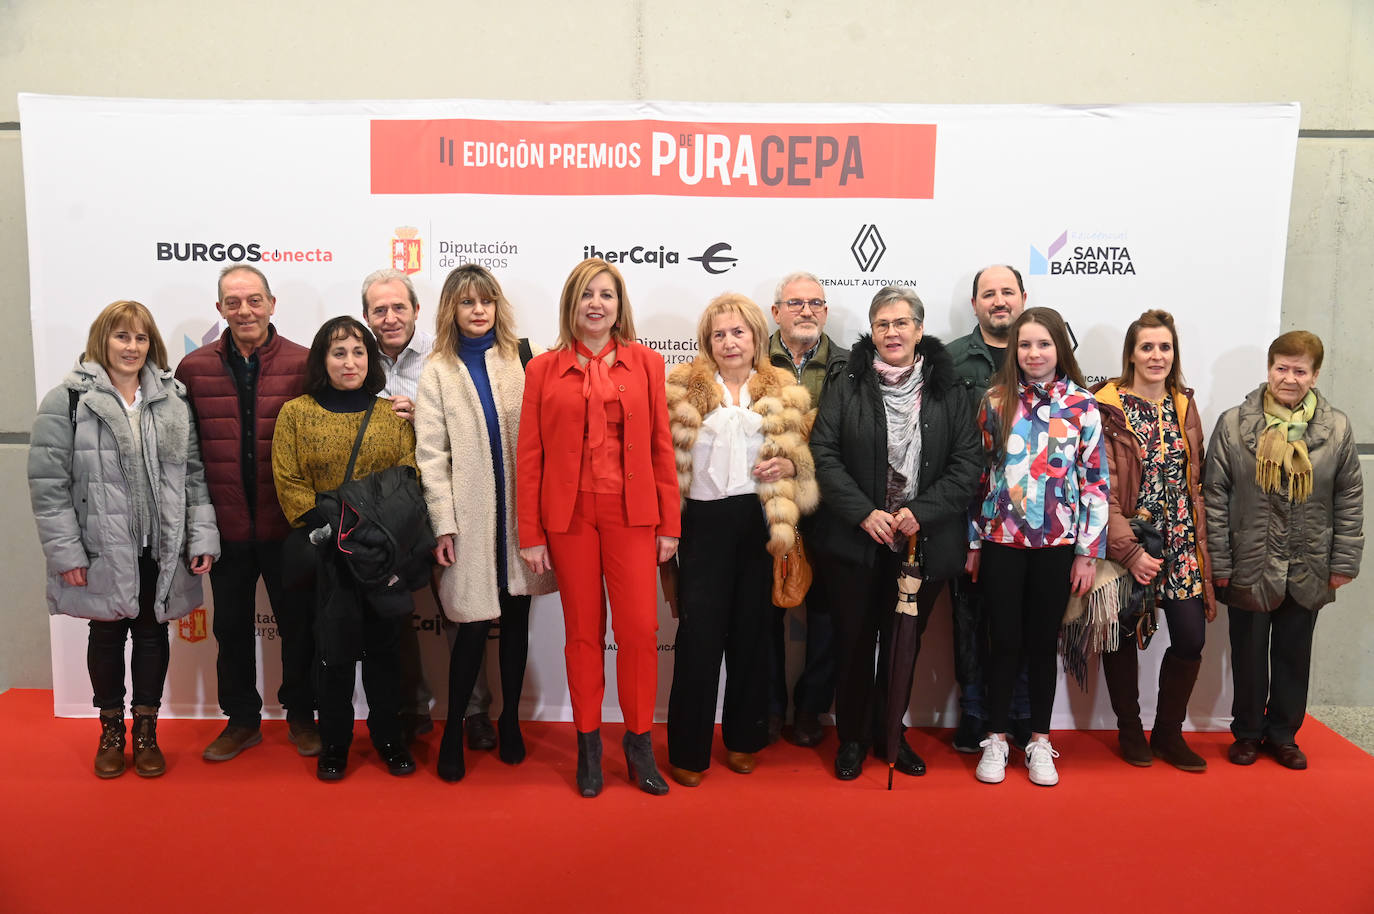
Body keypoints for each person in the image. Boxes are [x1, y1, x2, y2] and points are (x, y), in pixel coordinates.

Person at [29, 301, 220, 778]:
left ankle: (147, 729)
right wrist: (66, 553)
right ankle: (111, 728)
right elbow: (48, 486)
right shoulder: (68, 400)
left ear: (150, 344)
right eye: (121, 337)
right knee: (107, 634)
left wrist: (201, 537)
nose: (131, 347)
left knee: (154, 636)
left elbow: (194, 477)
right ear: (102, 341)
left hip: (162, 546)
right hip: (100, 545)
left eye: (140, 338)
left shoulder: (173, 399)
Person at [516, 257, 680, 797]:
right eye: (586, 294)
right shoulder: (541, 369)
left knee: (638, 632)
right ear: (571, 304)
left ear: (619, 305)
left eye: (606, 294)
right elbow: (530, 457)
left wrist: (669, 525)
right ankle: (588, 746)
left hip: (634, 516)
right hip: (569, 520)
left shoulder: (647, 364)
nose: (596, 303)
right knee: (583, 635)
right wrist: (531, 534)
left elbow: (661, 447)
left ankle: (638, 746)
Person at [810, 286, 981, 781]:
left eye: (902, 323)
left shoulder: (948, 387)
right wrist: (865, 512)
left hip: (918, 542)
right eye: (882, 324)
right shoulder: (848, 380)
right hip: (855, 540)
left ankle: (891, 733)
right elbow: (824, 453)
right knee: (855, 642)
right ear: (872, 330)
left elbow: (967, 463)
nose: (892, 332)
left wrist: (920, 512)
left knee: (904, 642)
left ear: (919, 330)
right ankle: (854, 738)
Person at [664, 293, 817, 786]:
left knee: (754, 636)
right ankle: (688, 747)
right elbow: (659, 463)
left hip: (758, 523)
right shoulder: (683, 388)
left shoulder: (785, 391)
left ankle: (744, 739)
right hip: (702, 525)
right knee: (698, 639)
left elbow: (808, 463)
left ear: (756, 337)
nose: (729, 342)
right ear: (707, 341)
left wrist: (792, 465)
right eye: (718, 334)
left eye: (738, 332)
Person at [415, 265, 556, 782]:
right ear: (451, 309)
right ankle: (454, 727)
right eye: (467, 302)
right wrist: (443, 524)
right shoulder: (438, 369)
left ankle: (512, 721)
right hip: (470, 521)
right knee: (470, 630)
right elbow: (431, 455)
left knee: (516, 623)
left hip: (521, 519)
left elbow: (547, 433)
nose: (478, 311)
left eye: (487, 301)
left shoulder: (524, 356)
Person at [1204, 331, 1362, 770]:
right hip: (1250, 562)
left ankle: (1284, 735)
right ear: (1269, 369)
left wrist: (1343, 562)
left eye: (1299, 370)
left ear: (1314, 375)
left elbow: (1349, 497)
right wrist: (1219, 560)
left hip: (1310, 562)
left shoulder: (1338, 428)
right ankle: (1249, 733)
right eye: (1281, 368)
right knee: (1249, 655)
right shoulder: (1234, 424)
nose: (1288, 378)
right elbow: (1214, 496)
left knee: (1294, 653)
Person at [175, 265, 316, 761]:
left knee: (299, 626)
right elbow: (186, 456)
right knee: (231, 630)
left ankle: (302, 715)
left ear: (272, 304)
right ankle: (240, 721)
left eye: (254, 300)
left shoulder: (304, 363)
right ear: (219, 310)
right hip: (225, 530)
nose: (244, 310)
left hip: (289, 528)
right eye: (233, 302)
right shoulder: (193, 369)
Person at [271, 316, 420, 781]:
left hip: (377, 555)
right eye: (339, 353)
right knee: (331, 655)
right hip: (325, 555)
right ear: (323, 360)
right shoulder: (295, 414)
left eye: (358, 352)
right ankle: (335, 743)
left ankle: (388, 738)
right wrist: (339, 529)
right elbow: (290, 483)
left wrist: (365, 534)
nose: (350, 362)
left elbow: (405, 479)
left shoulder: (389, 415)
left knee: (384, 653)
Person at [968, 307, 1108, 787]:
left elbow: (1094, 482)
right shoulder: (994, 401)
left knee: (1040, 643)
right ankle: (996, 738)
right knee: (1002, 640)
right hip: (1001, 540)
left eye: (1042, 344)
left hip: (1058, 543)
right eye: (1024, 345)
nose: (1033, 353)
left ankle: (1040, 740)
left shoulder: (1083, 405)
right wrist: (974, 540)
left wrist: (1088, 551)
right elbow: (979, 476)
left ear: (1058, 349)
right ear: (1014, 350)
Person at [363, 269, 498, 748]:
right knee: (394, 614)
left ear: (417, 311)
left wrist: (422, 414)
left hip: (444, 504)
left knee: (464, 611)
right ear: (366, 316)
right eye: (379, 310)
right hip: (384, 512)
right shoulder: (356, 357)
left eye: (399, 307)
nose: (390, 317)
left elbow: (468, 426)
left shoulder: (444, 358)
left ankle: (475, 710)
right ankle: (410, 706)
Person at [1093, 310, 1215, 771]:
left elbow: (1196, 477)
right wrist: (1131, 551)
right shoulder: (1106, 404)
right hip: (1129, 542)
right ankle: (1130, 730)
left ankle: (1168, 734)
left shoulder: (1183, 403)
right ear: (1131, 353)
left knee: (1190, 637)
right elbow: (1099, 487)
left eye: (1165, 347)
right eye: (1147, 347)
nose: (1156, 356)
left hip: (1182, 542)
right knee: (1122, 635)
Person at [945, 264, 1032, 752]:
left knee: (1022, 616)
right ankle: (975, 710)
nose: (999, 301)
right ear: (975, 304)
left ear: (1023, 296)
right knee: (969, 616)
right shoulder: (954, 359)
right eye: (988, 294)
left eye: (1007, 292)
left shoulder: (1044, 350)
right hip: (968, 509)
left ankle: (1020, 709)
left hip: (1033, 519)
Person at [766, 271, 848, 748]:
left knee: (829, 614)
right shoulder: (753, 360)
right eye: (795, 303)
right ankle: (771, 705)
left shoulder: (849, 364)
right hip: (767, 501)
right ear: (776, 312)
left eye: (816, 302)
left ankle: (811, 707)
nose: (806, 311)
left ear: (826, 311)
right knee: (763, 610)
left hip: (832, 503)